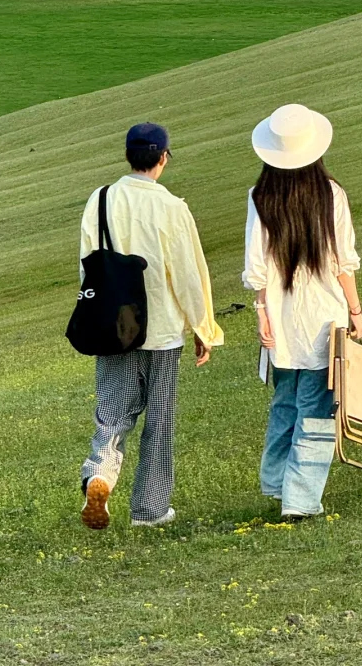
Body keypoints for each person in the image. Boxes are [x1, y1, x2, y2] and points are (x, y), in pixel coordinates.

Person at [79, 122, 223, 530]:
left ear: (128, 156)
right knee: (159, 420)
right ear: (163, 158)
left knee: (112, 411)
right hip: (161, 330)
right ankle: (150, 509)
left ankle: (101, 474)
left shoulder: (101, 198)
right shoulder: (172, 207)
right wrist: (204, 327)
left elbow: (88, 261)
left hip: (114, 325)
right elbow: (189, 274)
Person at [242, 103, 362, 520]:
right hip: (322, 316)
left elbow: (256, 264)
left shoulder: (260, 196)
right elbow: (342, 261)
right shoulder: (331, 194)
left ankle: (276, 481)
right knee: (316, 406)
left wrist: (261, 313)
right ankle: (300, 498)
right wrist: (357, 312)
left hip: (280, 318)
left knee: (286, 399)